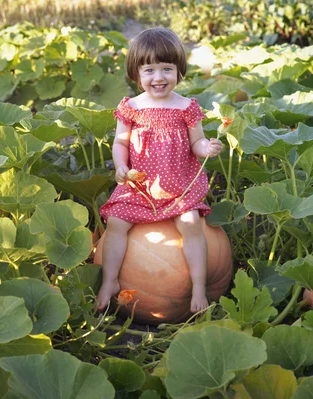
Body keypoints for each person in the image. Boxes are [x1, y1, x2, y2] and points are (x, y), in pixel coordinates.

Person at [96, 27, 224, 312]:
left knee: (191, 226)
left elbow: (197, 143)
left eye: (167, 69)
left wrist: (208, 148)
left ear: (179, 71)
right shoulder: (130, 107)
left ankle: (198, 289)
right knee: (116, 223)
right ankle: (110, 281)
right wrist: (120, 166)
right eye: (149, 70)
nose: (158, 78)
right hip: (139, 186)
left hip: (178, 186)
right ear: (136, 73)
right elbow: (120, 142)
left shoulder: (186, 107)